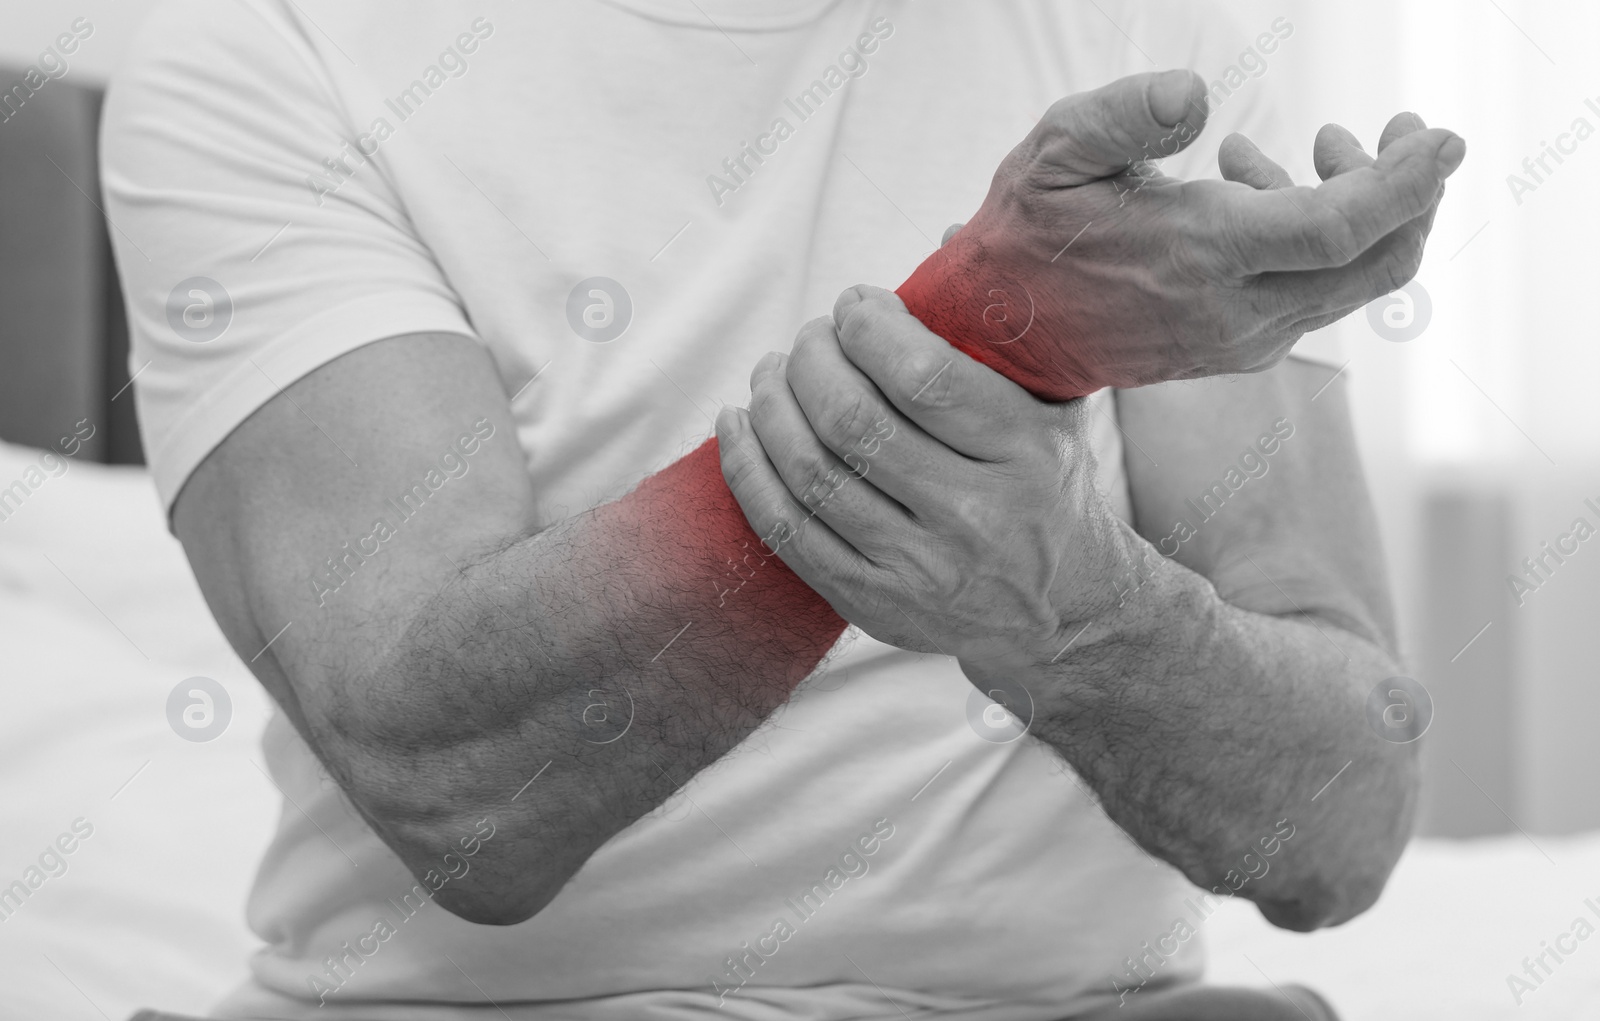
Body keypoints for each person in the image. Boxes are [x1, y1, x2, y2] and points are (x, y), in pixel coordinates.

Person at [102, 2, 1458, 1018]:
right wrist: (990, 337)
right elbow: (459, 791)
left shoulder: (1155, 25)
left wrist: (1075, 611)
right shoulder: (264, 49)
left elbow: (1337, 830)